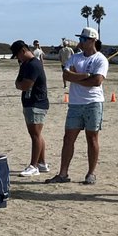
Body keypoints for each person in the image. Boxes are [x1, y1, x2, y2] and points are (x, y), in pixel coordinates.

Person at [46, 28, 108, 185]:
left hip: (93, 103)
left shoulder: (100, 59)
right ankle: (63, 173)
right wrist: (86, 76)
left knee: (92, 138)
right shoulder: (75, 57)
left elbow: (97, 81)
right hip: (75, 103)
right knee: (68, 138)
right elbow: (66, 75)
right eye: (80, 38)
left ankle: (91, 173)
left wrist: (77, 77)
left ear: (93, 40)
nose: (80, 41)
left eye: (84, 39)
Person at [11, 40, 49, 176]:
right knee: (37, 134)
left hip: (36, 103)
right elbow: (18, 82)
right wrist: (19, 84)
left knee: (35, 135)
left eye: (17, 55)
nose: (17, 58)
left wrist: (20, 84)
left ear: (23, 51)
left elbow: (24, 85)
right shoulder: (25, 65)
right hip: (29, 102)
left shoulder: (34, 64)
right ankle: (42, 163)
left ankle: (34, 166)